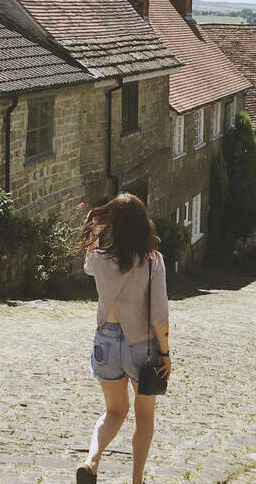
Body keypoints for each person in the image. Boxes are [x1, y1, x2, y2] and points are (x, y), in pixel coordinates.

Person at [76, 193, 171, 484]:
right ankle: (137, 481)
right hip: (140, 345)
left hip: (105, 342)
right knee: (144, 417)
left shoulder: (98, 260)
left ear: (114, 224)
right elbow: (159, 315)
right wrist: (165, 353)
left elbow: (88, 257)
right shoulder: (153, 261)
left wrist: (95, 229)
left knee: (114, 411)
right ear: (143, 223)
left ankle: (91, 461)